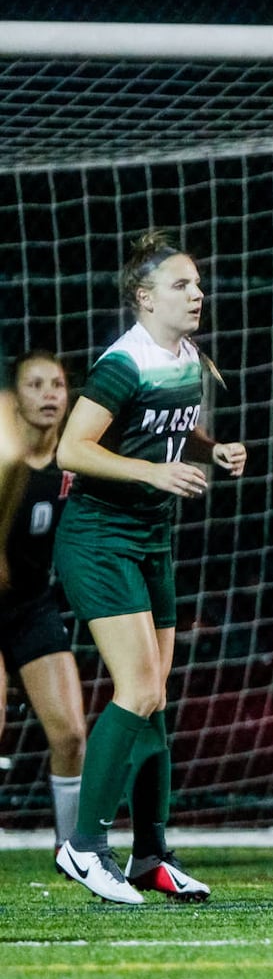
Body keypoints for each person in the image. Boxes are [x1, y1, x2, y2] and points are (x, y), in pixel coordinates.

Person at [52, 230, 246, 904]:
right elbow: (73, 450)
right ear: (143, 298)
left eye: (197, 284)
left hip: (151, 540)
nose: (197, 294)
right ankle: (82, 848)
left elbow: (167, 426)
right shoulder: (123, 362)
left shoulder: (189, 359)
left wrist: (213, 448)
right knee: (135, 691)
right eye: (181, 285)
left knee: (155, 701)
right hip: (98, 540)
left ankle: (151, 855)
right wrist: (153, 473)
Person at [0, 350, 87, 859]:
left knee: (72, 734)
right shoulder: (4, 459)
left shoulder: (76, 459)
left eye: (56, 383)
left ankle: (73, 849)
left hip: (32, 607)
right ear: (15, 400)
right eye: (34, 385)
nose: (48, 394)